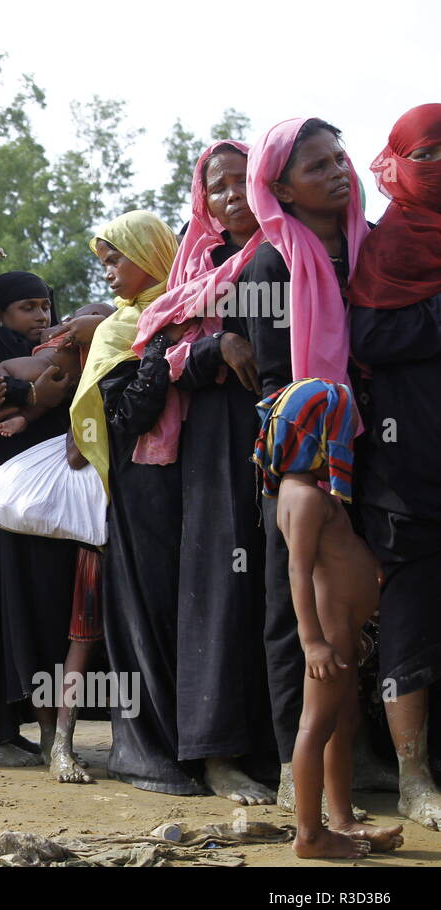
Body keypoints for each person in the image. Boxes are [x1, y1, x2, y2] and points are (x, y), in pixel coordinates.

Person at [133, 140, 277, 805]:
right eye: (217, 186)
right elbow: (157, 354)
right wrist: (215, 345)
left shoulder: (291, 250)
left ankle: (282, 751)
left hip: (288, 428)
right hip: (217, 439)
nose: (230, 195)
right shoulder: (199, 264)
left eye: (243, 181)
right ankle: (218, 754)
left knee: (279, 594)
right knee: (220, 585)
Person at [241, 117, 370, 810]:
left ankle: (348, 782)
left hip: (370, 449)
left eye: (340, 157)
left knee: (352, 616)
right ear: (283, 189)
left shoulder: (370, 250)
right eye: (317, 167)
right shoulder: (272, 264)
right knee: (297, 619)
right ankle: (303, 788)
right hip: (303, 457)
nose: (338, 171)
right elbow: (272, 381)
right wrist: (314, 443)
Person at [70, 210, 208, 794]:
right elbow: (123, 418)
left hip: (196, 489)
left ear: (153, 254)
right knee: (144, 614)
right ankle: (144, 750)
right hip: (141, 490)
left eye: (116, 258)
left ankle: (200, 744)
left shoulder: (193, 306)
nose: (108, 272)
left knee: (193, 610)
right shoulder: (118, 330)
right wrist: (159, 351)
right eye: (102, 261)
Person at [253, 378, 403, 857]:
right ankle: (310, 834)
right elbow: (296, 573)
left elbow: (337, 560)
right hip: (328, 634)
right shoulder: (303, 499)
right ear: (321, 437)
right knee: (315, 727)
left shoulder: (307, 494)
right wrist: (313, 641)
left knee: (342, 723)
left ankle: (340, 820)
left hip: (343, 629)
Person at [349, 102, 441, 831]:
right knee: (408, 616)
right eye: (428, 155)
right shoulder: (392, 245)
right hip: (408, 463)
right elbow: (370, 333)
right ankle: (412, 778)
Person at [0, 271, 81, 778]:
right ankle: (48, 730)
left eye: (44, 306)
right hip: (21, 499)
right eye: (28, 307)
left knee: (69, 609)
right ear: (0, 313)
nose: (40, 317)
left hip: (70, 491)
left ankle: (62, 730)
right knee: (31, 610)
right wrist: (29, 392)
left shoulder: (65, 340)